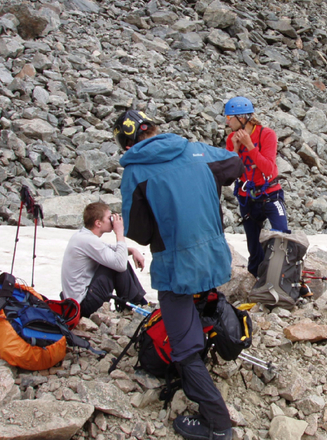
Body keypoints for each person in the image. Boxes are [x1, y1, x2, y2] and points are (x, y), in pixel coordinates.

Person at [114, 109, 243, 440]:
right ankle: (213, 344)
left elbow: (139, 233)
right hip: (214, 257)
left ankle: (218, 424)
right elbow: (234, 165)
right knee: (200, 301)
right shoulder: (194, 149)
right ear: (154, 128)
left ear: (126, 142)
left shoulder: (135, 172)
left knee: (182, 348)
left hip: (176, 267)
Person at [224, 96, 288, 277]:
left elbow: (269, 168)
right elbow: (227, 173)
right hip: (246, 197)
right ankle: (257, 278)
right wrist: (235, 149)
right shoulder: (231, 138)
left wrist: (249, 146)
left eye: (229, 118)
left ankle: (282, 276)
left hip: (270, 194)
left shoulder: (266, 134)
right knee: (253, 245)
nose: (227, 121)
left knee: (281, 235)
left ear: (242, 118)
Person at [61, 202, 147, 318]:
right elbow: (120, 264)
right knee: (115, 265)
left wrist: (132, 250)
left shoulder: (83, 236)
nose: (112, 220)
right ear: (98, 223)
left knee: (116, 259)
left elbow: (110, 249)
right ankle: (136, 305)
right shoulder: (87, 240)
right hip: (82, 306)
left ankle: (138, 303)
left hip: (77, 302)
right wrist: (119, 233)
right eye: (109, 218)